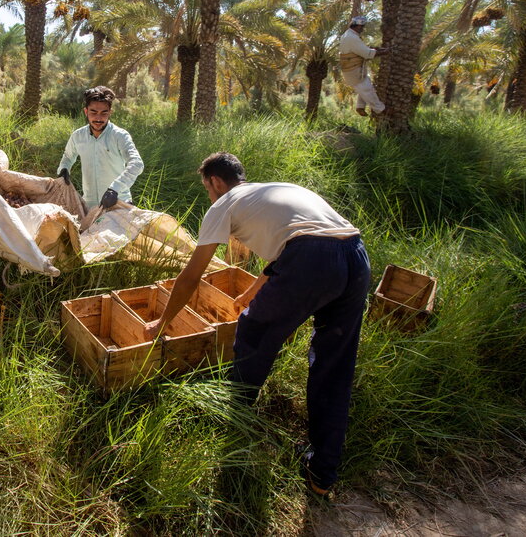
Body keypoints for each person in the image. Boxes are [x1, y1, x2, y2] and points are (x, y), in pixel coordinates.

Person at [142, 153, 371, 498]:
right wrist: (252, 291)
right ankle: (322, 474)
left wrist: (162, 322)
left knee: (252, 331)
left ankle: (234, 417)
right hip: (356, 257)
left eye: (207, 189)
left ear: (215, 182)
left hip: (313, 261)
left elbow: (192, 275)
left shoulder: (224, 204)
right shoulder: (277, 191)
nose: (209, 196)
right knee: (334, 366)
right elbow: (288, 250)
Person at [57, 86, 144, 212]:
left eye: (104, 113)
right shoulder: (78, 136)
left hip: (119, 205)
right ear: (86, 112)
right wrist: (64, 169)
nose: (98, 118)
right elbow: (68, 157)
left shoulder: (120, 136)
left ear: (110, 112)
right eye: (93, 112)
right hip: (90, 207)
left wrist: (115, 189)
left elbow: (137, 163)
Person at [339, 15, 388, 116]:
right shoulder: (351, 37)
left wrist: (376, 49)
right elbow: (366, 54)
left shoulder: (348, 35)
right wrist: (386, 52)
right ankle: (381, 110)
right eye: (362, 27)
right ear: (356, 26)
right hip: (354, 71)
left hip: (351, 70)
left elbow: (360, 49)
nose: (362, 29)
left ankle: (360, 107)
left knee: (365, 85)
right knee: (367, 89)